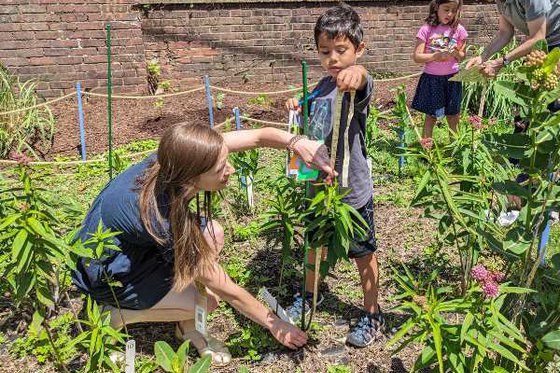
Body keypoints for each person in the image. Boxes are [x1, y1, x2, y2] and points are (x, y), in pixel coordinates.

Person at [71, 123, 335, 365]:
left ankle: (186, 325)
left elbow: (256, 137)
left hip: (136, 251)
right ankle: (113, 314)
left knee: (212, 233)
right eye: (221, 169)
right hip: (112, 275)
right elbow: (224, 287)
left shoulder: (176, 159)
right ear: (191, 179)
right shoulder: (157, 215)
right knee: (206, 302)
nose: (230, 170)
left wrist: (296, 142)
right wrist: (274, 324)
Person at [285, 4, 383, 348]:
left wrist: (359, 72)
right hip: (318, 187)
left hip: (351, 191)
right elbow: (314, 109)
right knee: (314, 244)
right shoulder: (324, 84)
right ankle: (311, 294)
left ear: (358, 49)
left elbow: (364, 79)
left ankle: (372, 312)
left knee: (362, 250)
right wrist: (298, 103)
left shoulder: (353, 83)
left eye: (341, 50)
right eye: (325, 51)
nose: (333, 59)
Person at [411, 0, 468, 139]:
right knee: (431, 116)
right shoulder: (426, 29)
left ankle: (455, 150)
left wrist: (456, 52)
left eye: (454, 10)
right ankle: (427, 151)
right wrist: (435, 56)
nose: (450, 14)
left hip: (453, 78)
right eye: (446, 9)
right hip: (432, 79)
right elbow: (417, 57)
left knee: (453, 116)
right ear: (436, 7)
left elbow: (462, 56)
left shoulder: (459, 30)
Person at [466, 0, 560, 80]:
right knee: (530, 89)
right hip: (541, 44)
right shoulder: (501, 1)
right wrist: (482, 57)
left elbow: (537, 38)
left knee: (551, 93)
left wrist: (500, 62)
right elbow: (505, 33)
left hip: (556, 40)